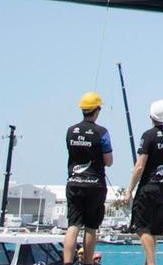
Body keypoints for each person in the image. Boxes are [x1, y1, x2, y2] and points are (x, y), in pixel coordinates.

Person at [124, 99, 163, 265]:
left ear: (150, 115)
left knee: (141, 228)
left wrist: (129, 190)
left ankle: (151, 262)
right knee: (154, 231)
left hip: (148, 186)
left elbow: (139, 166)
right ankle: (148, 262)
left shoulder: (148, 136)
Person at [63, 91, 113, 265]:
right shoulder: (102, 132)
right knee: (91, 227)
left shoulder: (70, 131)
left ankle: (67, 262)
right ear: (97, 110)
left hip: (74, 182)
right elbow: (109, 161)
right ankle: (88, 263)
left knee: (73, 225)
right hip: (95, 185)